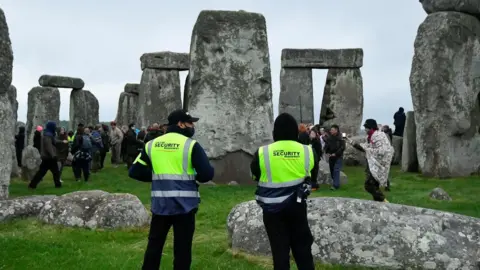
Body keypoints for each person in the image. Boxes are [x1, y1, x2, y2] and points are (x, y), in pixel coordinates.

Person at [129, 109, 214, 270]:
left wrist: (156, 176)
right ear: (181, 124)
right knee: (182, 249)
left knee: (154, 245)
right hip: (185, 206)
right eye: (190, 123)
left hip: (160, 204)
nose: (193, 126)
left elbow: (135, 171)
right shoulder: (191, 145)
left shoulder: (151, 145)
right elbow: (206, 174)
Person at [250, 113, 318, 270]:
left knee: (279, 252)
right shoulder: (308, 151)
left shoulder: (262, 152)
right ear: (296, 132)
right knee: (303, 251)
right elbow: (312, 176)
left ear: (274, 133)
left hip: (272, 209)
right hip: (298, 206)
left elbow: (255, 175)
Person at [346, 119, 394, 202]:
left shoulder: (378, 136)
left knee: (369, 185)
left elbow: (383, 150)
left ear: (371, 128)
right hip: (373, 163)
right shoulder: (370, 137)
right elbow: (365, 148)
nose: (365, 129)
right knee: (374, 185)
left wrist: (370, 151)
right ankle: (378, 203)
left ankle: (384, 201)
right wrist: (350, 141)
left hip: (380, 163)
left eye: (366, 127)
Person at [28, 121, 62, 189]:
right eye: (54, 127)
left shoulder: (48, 134)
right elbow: (48, 146)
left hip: (46, 157)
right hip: (49, 157)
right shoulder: (48, 135)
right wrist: (53, 155)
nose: (55, 128)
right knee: (55, 172)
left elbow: (54, 142)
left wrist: (61, 141)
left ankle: (32, 185)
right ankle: (58, 185)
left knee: (42, 172)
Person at [324, 124, 345, 190]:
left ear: (336, 130)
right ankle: (335, 182)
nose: (331, 131)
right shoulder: (329, 137)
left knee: (336, 170)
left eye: (332, 130)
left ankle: (336, 185)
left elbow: (342, 147)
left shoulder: (341, 137)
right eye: (331, 130)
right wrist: (326, 151)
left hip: (338, 156)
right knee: (332, 170)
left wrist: (335, 154)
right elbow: (327, 146)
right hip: (331, 157)